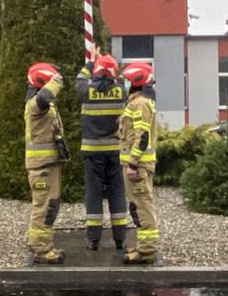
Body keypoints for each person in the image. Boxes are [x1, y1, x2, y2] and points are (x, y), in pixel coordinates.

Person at [77, 54, 130, 251]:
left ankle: (94, 239)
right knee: (117, 193)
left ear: (97, 72)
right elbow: (124, 80)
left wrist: (90, 62)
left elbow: (79, 80)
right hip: (115, 152)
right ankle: (120, 238)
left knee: (94, 194)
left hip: (92, 152)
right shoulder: (122, 91)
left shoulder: (86, 90)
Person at [22, 62, 69, 265]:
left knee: (50, 205)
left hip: (48, 164)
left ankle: (42, 243)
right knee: (44, 207)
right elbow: (45, 96)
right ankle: (41, 250)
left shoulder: (41, 105)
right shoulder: (36, 104)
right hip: (42, 167)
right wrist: (56, 79)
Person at [118, 61, 161, 265]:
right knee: (137, 206)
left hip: (139, 167)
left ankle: (147, 251)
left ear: (135, 82)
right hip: (137, 165)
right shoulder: (136, 102)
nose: (124, 84)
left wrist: (133, 164)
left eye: (127, 81)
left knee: (143, 206)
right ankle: (144, 247)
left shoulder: (140, 103)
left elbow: (141, 137)